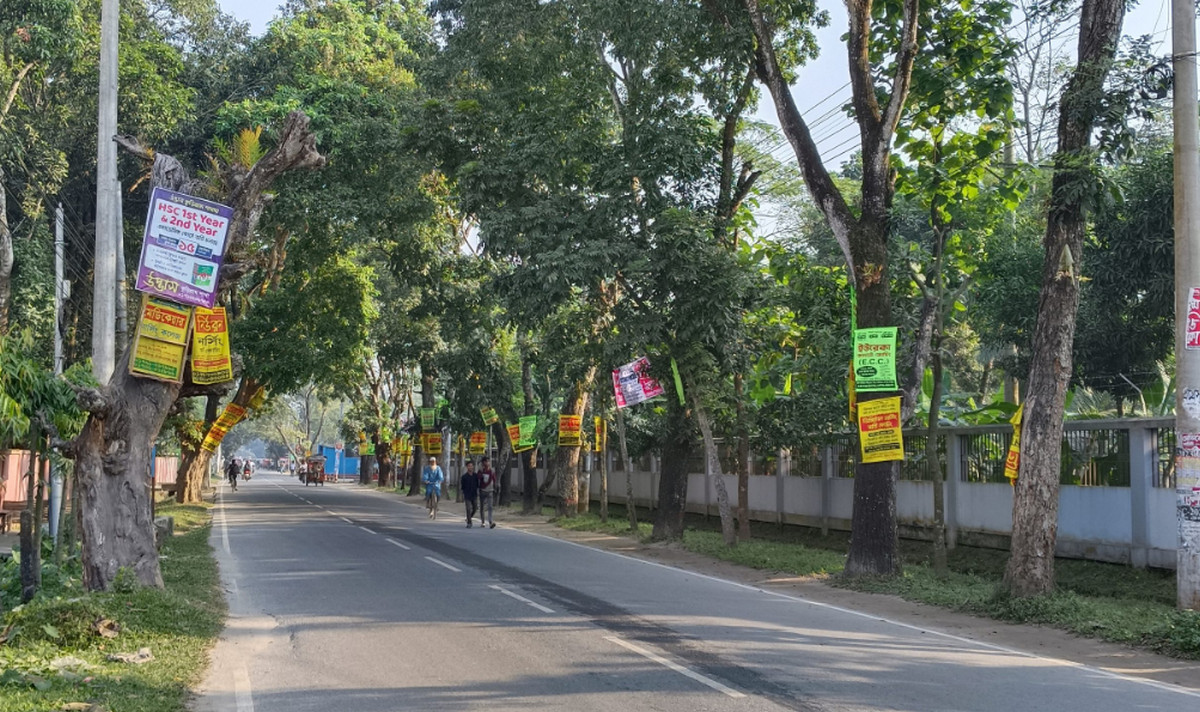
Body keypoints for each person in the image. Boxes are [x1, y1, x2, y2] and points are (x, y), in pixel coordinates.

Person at [478, 456, 497, 529]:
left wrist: (495, 487)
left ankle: (490, 521)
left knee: (490, 507)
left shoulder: (491, 471)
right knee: (482, 507)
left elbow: (494, 479)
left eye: (488, 461)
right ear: (483, 463)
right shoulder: (481, 470)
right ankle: (482, 521)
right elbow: (478, 478)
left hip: (490, 490)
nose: (487, 463)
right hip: (482, 490)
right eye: (486, 461)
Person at [460, 460, 480, 528]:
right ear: (467, 467)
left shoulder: (475, 476)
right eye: (469, 466)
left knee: (475, 508)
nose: (470, 467)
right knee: (468, 508)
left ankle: (469, 517)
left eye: (471, 466)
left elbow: (477, 485)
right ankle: (469, 522)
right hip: (467, 495)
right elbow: (463, 487)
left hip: (474, 494)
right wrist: (463, 494)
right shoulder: (464, 477)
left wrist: (477, 492)